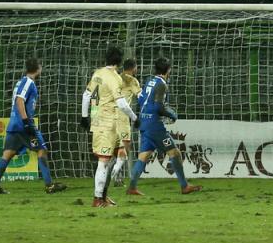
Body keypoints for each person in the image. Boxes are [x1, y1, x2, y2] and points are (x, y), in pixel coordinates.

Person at [125, 56, 202, 196]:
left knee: (144, 155)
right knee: (175, 153)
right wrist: (171, 114)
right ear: (168, 70)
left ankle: (132, 187)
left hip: (144, 121)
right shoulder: (162, 84)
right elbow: (159, 108)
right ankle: (184, 186)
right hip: (154, 125)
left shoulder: (149, 80)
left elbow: (142, 99)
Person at [0, 58, 67, 194]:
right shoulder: (28, 82)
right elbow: (20, 100)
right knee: (42, 150)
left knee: (7, 154)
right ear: (37, 68)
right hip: (23, 124)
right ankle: (49, 185)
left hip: (14, 124)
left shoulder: (21, 81)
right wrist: (26, 122)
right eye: (40, 66)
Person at [80, 45, 137, 207]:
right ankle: (97, 199)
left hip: (100, 121)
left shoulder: (97, 73)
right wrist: (134, 117)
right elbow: (122, 103)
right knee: (104, 161)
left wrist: (85, 116)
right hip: (107, 123)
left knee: (111, 158)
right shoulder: (114, 78)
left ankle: (103, 196)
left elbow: (86, 95)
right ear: (119, 61)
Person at [111, 58, 142, 186]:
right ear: (134, 68)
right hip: (122, 117)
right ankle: (113, 174)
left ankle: (116, 178)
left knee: (114, 149)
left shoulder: (116, 78)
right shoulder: (132, 81)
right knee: (125, 147)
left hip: (109, 116)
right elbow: (140, 97)